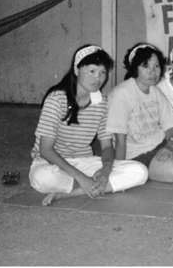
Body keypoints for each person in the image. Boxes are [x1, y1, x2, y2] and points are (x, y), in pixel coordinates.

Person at [29, 45, 148, 206]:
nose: (97, 78)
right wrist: (81, 177)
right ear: (77, 70)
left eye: (102, 72)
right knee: (41, 178)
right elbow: (45, 150)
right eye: (91, 71)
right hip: (51, 163)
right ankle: (91, 186)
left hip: (83, 160)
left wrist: (106, 170)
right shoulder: (56, 99)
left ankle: (70, 193)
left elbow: (106, 146)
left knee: (140, 171)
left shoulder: (101, 103)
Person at [108, 43, 173, 183]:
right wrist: (120, 172)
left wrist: (171, 144)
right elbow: (119, 140)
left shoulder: (155, 91)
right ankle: (144, 170)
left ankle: (162, 167)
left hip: (161, 143)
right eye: (146, 66)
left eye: (156, 66)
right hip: (137, 153)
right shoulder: (121, 94)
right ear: (135, 68)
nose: (153, 71)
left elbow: (172, 126)